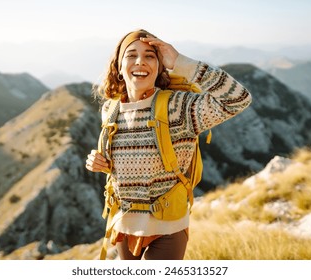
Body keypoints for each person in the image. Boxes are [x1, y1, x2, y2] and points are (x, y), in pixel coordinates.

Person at [86, 29, 252, 260]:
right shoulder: (110, 110)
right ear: (119, 67)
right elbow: (124, 162)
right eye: (131, 55)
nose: (140, 62)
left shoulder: (178, 108)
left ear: (160, 65)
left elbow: (238, 98)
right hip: (124, 222)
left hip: (168, 226)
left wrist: (180, 62)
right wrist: (100, 162)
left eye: (150, 56)